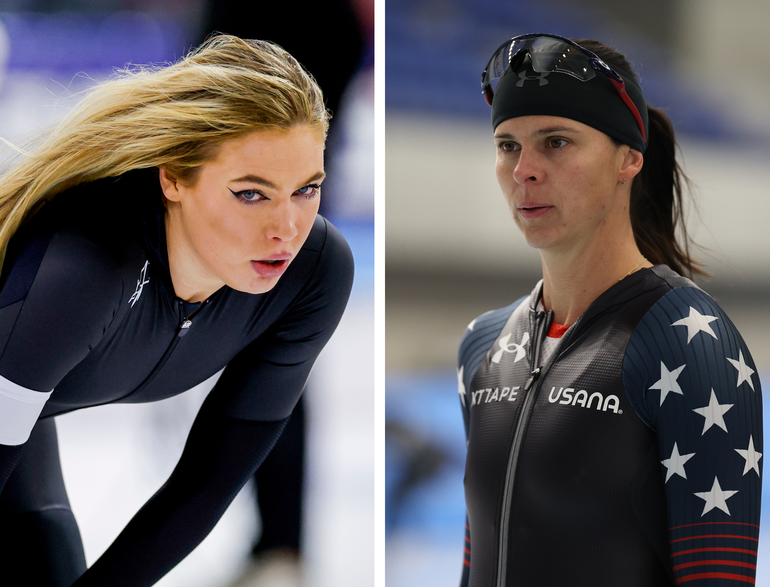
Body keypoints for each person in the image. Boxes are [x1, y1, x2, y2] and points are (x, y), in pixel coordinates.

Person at [0, 34, 354, 587]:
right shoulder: (87, 268)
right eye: (251, 193)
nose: (286, 229)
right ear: (173, 179)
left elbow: (206, 484)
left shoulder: (313, 277)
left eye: (306, 190)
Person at [457, 33, 762, 586]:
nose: (524, 169)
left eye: (556, 142)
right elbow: (477, 561)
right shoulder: (484, 345)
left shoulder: (689, 343)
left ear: (628, 159)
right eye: (507, 145)